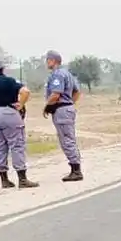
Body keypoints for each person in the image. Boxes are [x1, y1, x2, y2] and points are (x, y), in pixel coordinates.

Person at [43, 50, 83, 182]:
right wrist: (70, 102)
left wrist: (47, 106)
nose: (47, 62)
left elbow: (55, 94)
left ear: (53, 60)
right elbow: (77, 92)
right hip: (68, 108)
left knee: (66, 139)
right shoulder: (68, 74)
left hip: (61, 110)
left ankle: (76, 170)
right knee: (70, 138)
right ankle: (75, 166)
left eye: (48, 60)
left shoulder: (57, 74)